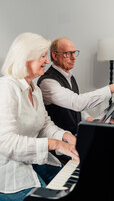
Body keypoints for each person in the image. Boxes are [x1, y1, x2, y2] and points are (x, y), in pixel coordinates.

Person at [0, 33, 79, 201]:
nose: (47, 61)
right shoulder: (6, 88)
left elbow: (44, 125)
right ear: (25, 58)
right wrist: (54, 144)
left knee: (73, 185)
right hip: (9, 174)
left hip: (34, 162)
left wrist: (67, 137)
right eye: (42, 56)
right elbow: (6, 143)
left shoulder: (34, 89)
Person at [38, 37, 114, 135]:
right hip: (61, 142)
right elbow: (77, 103)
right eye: (68, 54)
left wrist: (89, 119)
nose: (73, 57)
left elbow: (72, 109)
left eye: (74, 53)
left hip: (74, 134)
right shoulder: (47, 82)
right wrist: (113, 88)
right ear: (55, 56)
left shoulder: (69, 76)